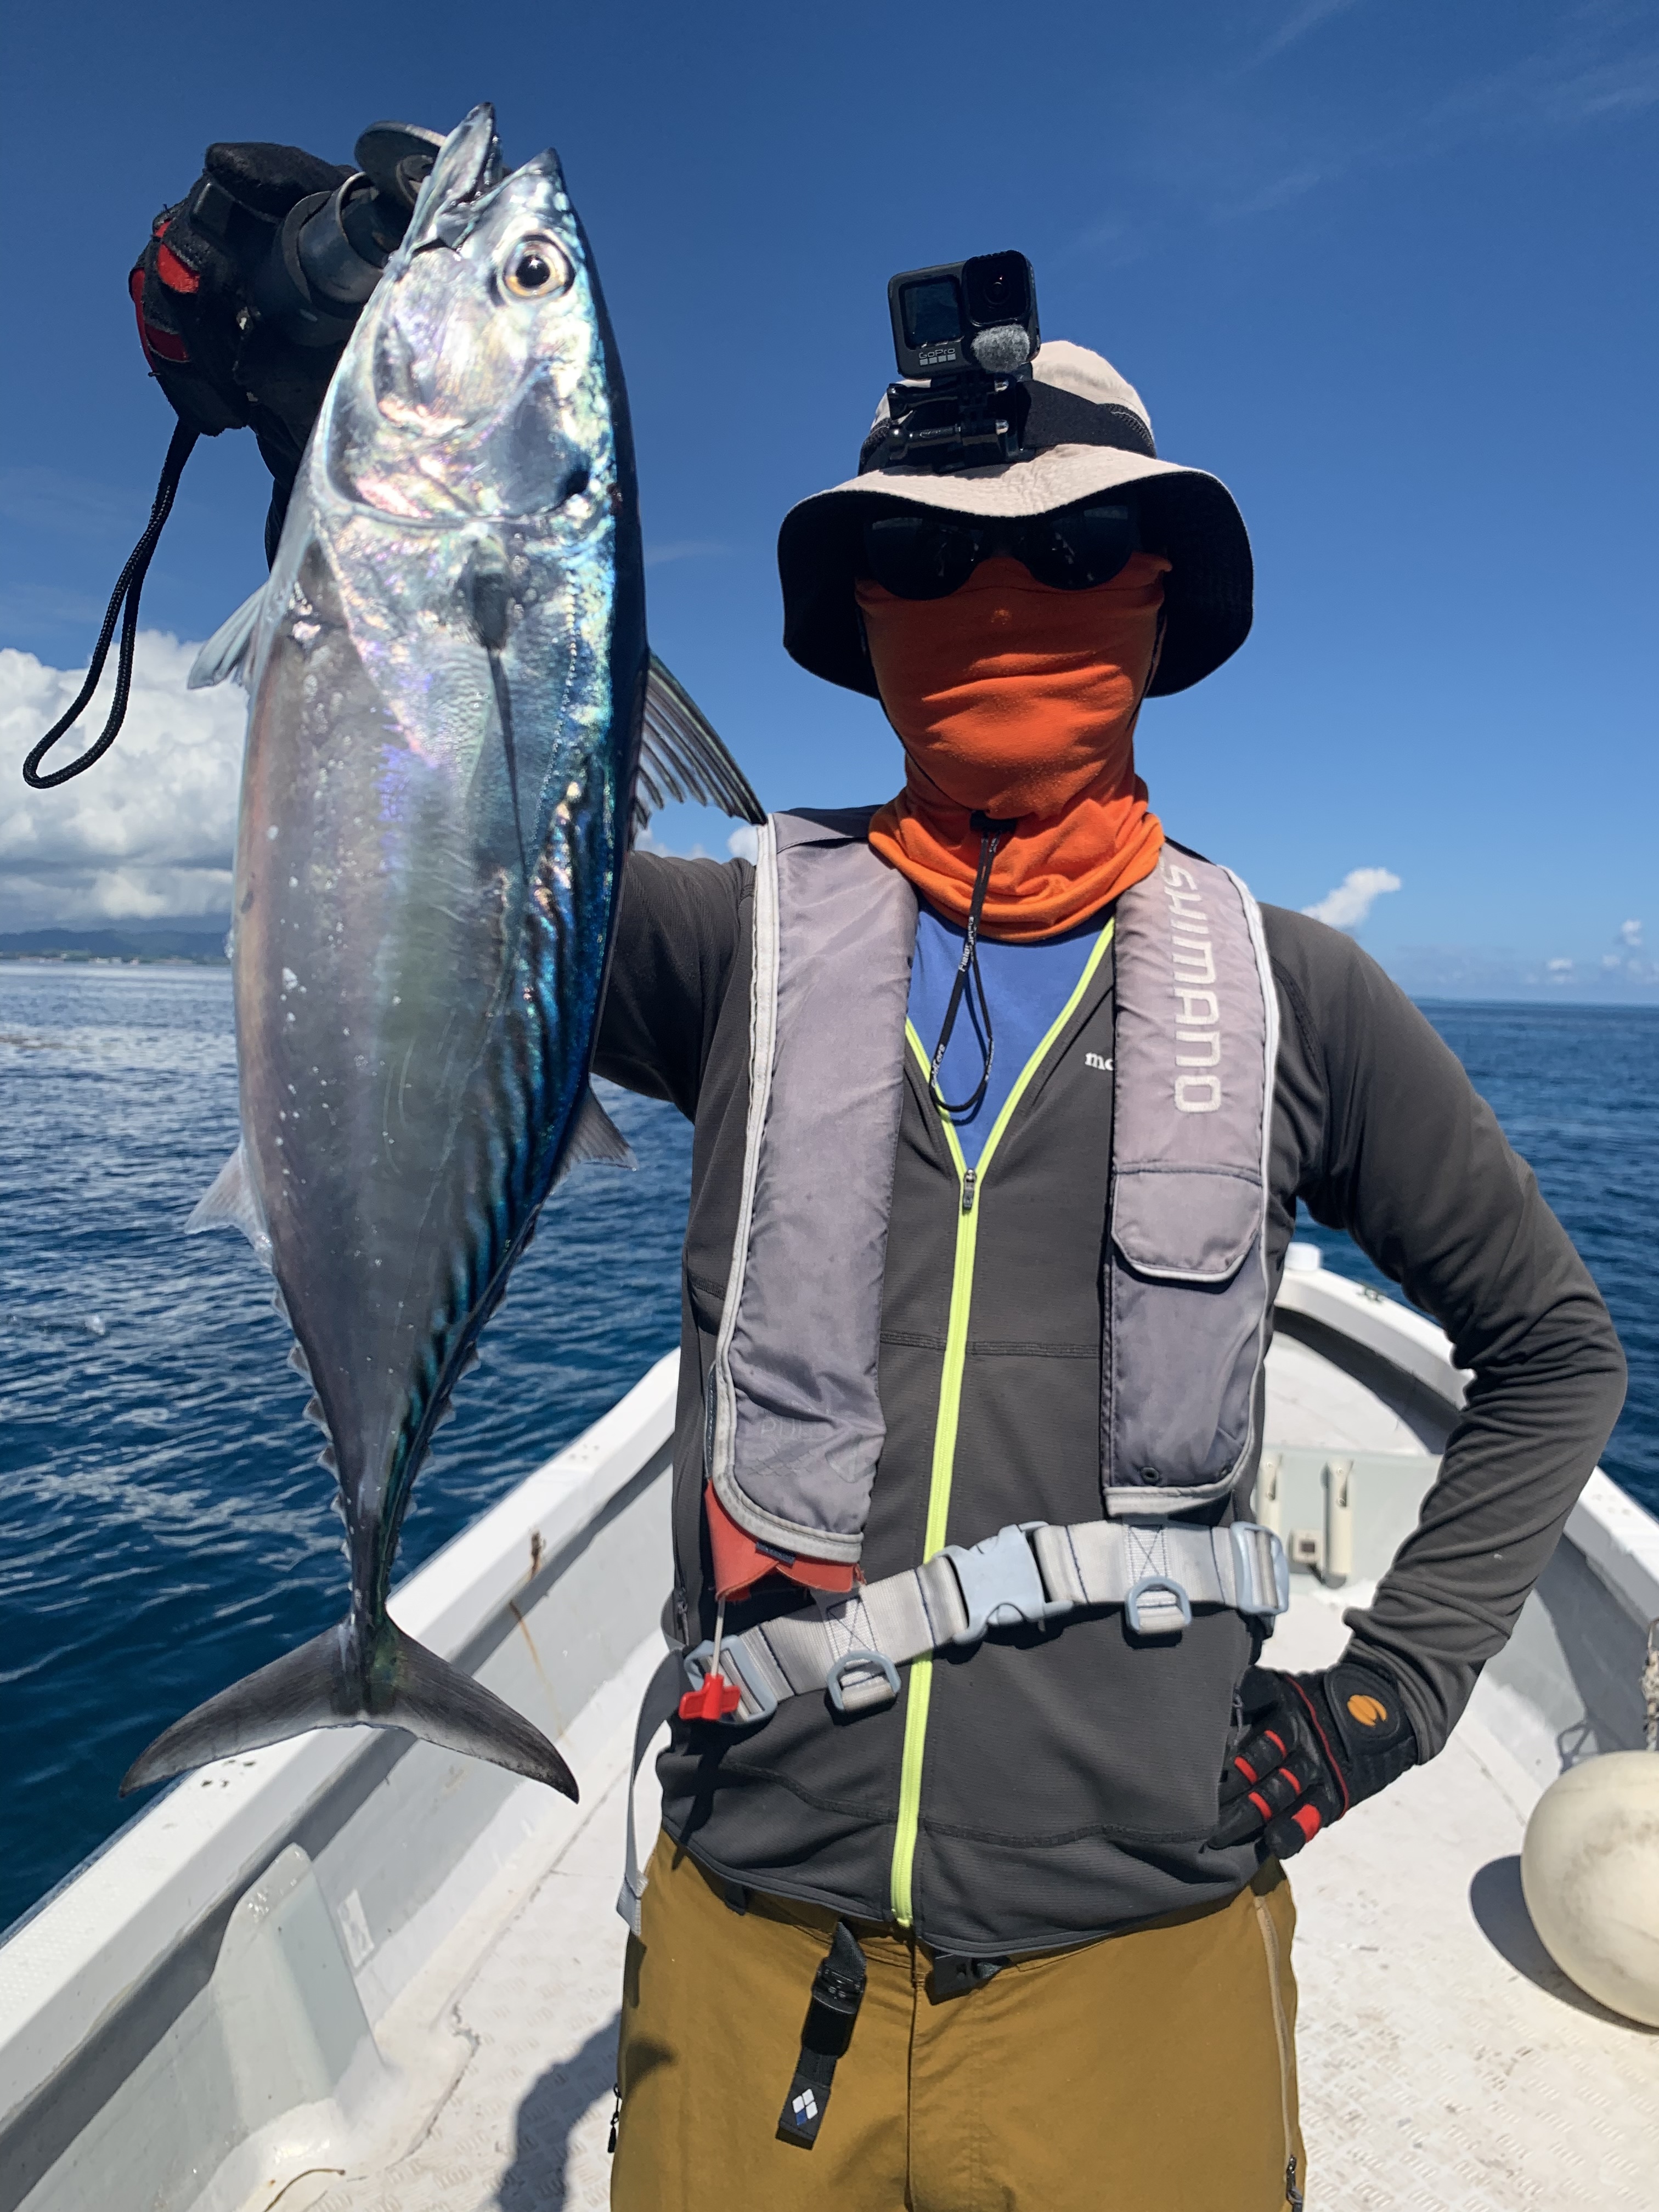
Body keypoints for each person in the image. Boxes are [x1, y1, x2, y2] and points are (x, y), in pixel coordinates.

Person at [131, 135, 1625, 2212]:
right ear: (859, 614)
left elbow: (1555, 1349)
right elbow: (446, 862)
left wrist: (1379, 1706)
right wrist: (320, 418)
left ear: (1158, 599)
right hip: (756, 1933)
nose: (993, 599)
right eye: (923, 560)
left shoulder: (1302, 997)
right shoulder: (731, 942)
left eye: (1068, 550)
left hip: (1150, 1951)